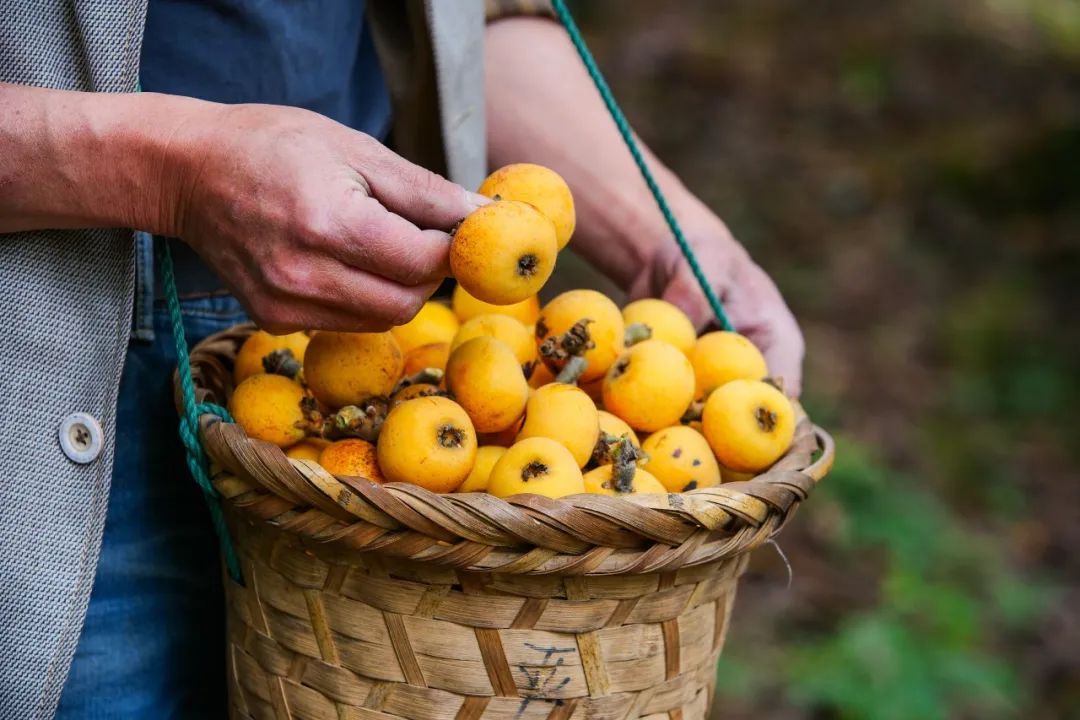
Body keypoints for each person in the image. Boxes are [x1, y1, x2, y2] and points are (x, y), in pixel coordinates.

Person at [0, 1, 803, 717]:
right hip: (51, 372)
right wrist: (169, 174)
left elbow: (469, 26)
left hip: (379, 340)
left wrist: (683, 251)